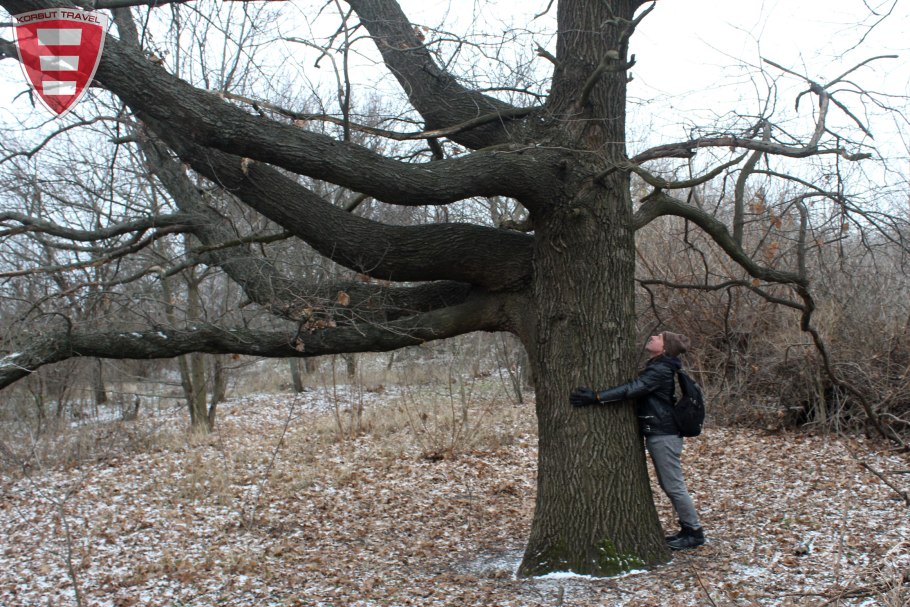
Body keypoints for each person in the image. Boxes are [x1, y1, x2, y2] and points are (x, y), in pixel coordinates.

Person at [569, 331, 705, 550]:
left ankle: (694, 532)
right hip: (660, 433)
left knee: (674, 486)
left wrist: (596, 397)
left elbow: (633, 390)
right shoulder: (659, 366)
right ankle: (688, 529)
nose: (652, 337)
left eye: (659, 337)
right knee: (670, 485)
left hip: (664, 435)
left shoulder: (661, 369)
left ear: (665, 348)